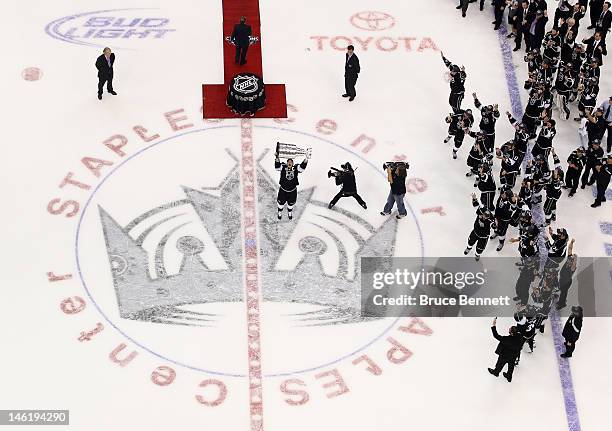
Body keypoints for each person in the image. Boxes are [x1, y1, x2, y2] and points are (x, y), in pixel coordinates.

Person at [275, 152, 309, 220]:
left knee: (291, 204)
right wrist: (277, 158)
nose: (290, 163)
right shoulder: (283, 166)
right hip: (283, 190)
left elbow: (301, 168)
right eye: (288, 162)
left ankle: (289, 212)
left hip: (292, 191)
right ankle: (279, 212)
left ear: (293, 163)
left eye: (291, 162)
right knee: (280, 203)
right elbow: (277, 167)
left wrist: (306, 159)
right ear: (287, 163)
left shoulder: (296, 167)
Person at [488, 317, 524, 382]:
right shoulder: (520, 337)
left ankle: (496, 372)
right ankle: (509, 376)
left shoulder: (507, 339)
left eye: (510, 330)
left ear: (512, 333)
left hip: (504, 355)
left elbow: (496, 335)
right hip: (514, 355)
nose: (509, 329)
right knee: (511, 367)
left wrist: (494, 326)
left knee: (499, 364)